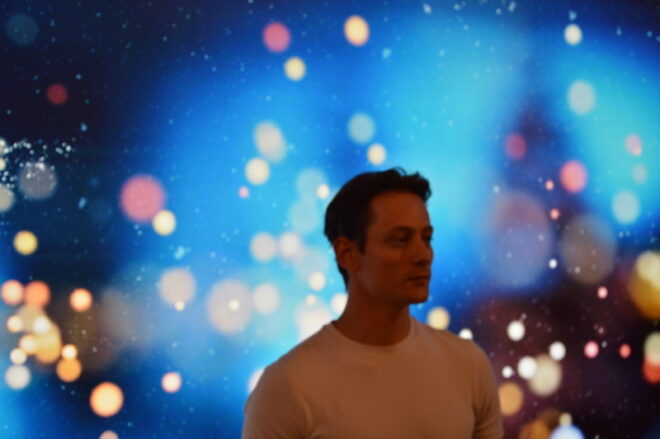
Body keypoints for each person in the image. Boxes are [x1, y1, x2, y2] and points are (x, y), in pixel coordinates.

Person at [242, 167, 504, 438]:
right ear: (347, 253)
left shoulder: (468, 366)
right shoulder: (288, 386)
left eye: (426, 238)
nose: (423, 255)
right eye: (400, 240)